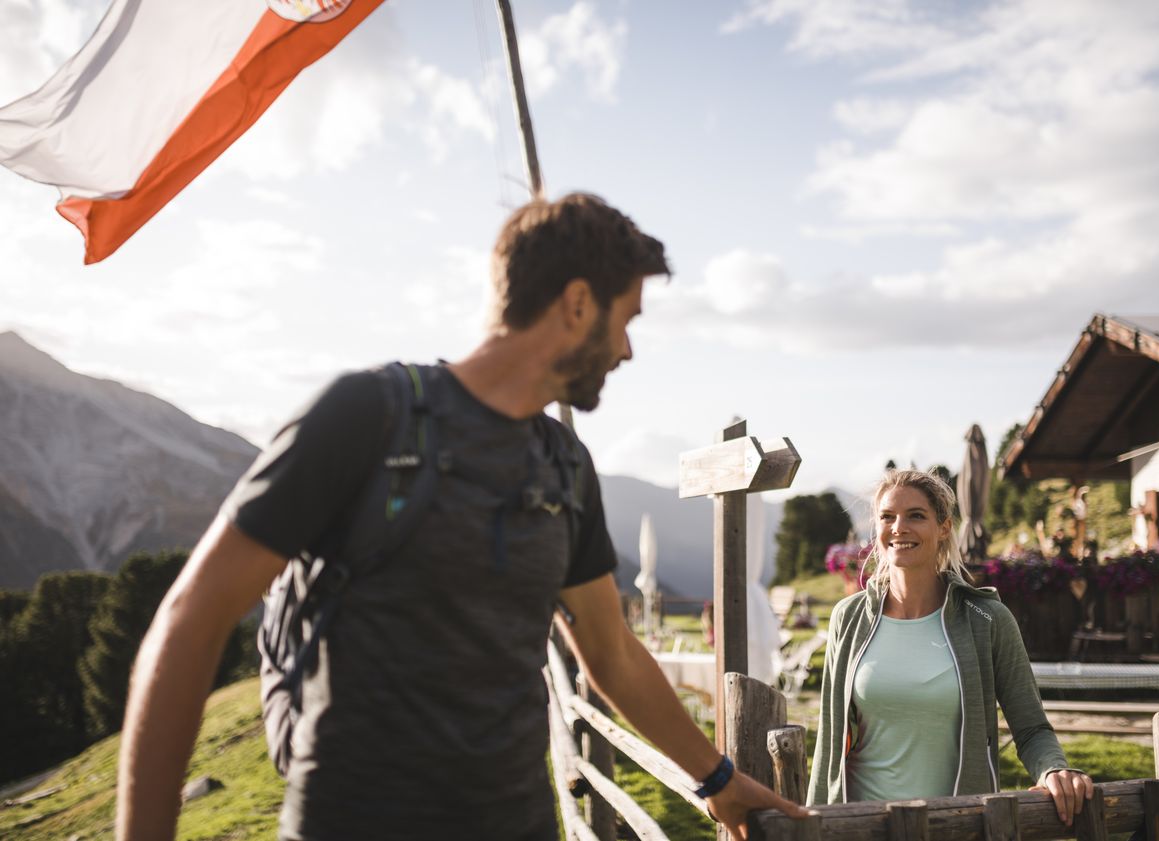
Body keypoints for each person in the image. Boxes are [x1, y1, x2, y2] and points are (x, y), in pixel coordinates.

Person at [116, 193, 808, 841]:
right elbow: (191, 621)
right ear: (576, 303)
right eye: (625, 319)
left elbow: (611, 651)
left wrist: (716, 777)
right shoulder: (369, 415)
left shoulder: (565, 464)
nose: (626, 349)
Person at [808, 469, 1093, 827]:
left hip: (959, 827)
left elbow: (1031, 727)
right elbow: (829, 744)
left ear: (943, 527)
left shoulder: (986, 619)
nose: (899, 528)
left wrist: (1054, 769)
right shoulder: (847, 619)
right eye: (887, 517)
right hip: (862, 828)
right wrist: (813, 823)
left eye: (916, 515)